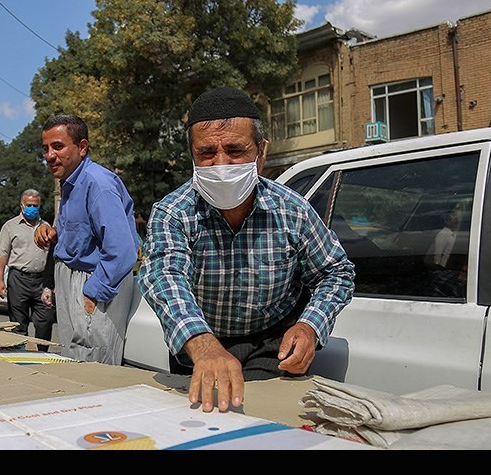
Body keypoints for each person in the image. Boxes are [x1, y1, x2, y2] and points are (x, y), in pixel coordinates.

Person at [136, 86, 356, 413]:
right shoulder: (173, 213)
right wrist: (203, 346)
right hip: (200, 343)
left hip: (273, 347)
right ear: (192, 155)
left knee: (266, 424)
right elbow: (164, 277)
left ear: (261, 152)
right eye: (206, 152)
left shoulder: (293, 211)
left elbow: (335, 272)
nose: (221, 164)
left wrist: (310, 326)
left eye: (235, 150)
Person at [34, 114, 140, 365]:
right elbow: (82, 229)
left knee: (92, 361)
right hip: (74, 280)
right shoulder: (70, 184)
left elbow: (123, 249)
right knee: (74, 358)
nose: (49, 155)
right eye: (46, 148)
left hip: (94, 281)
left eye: (58, 146)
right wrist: (52, 232)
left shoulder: (97, 183)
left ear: (82, 147)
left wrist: (94, 292)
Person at [0, 189, 55, 351]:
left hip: (42, 281)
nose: (32, 208)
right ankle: (19, 355)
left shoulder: (46, 226)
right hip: (18, 279)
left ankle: (43, 355)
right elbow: (2, 255)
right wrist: (0, 281)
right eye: (29, 205)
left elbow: (52, 257)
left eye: (35, 205)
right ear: (22, 205)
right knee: (18, 322)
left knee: (45, 321)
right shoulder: (10, 226)